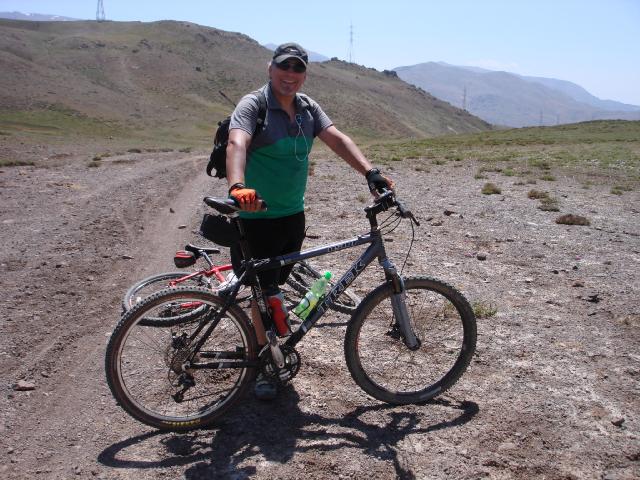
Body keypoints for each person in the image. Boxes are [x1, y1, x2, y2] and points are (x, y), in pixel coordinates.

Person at [226, 42, 394, 399]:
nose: (290, 75)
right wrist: (238, 186)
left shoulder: (307, 108)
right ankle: (264, 365)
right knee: (263, 293)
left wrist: (370, 172)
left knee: (274, 288)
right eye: (284, 67)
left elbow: (338, 140)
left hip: (292, 216)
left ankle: (267, 348)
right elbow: (236, 143)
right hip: (256, 217)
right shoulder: (254, 104)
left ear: (304, 74)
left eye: (297, 69)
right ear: (270, 69)